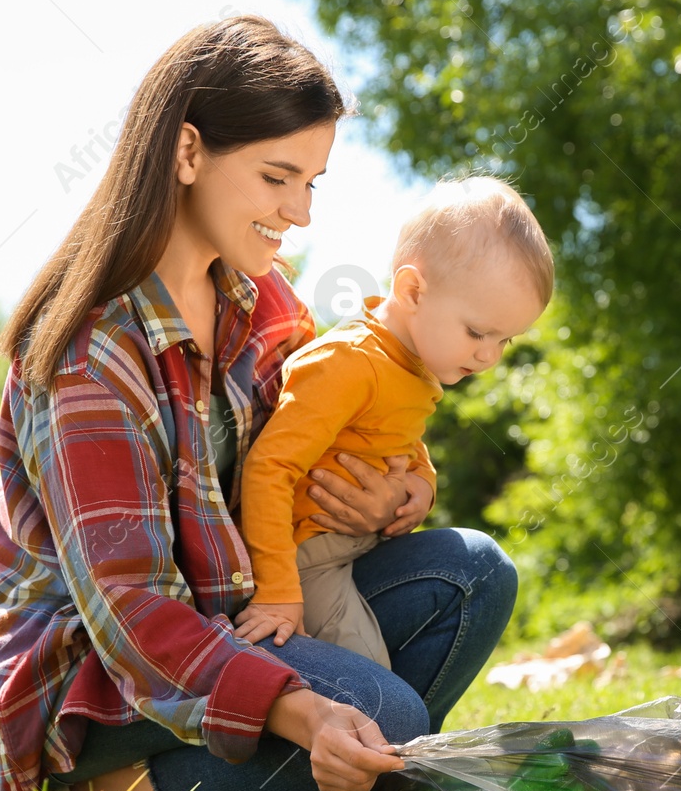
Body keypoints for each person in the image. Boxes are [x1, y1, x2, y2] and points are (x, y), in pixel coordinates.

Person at [0, 16, 517, 791]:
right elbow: (129, 611)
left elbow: (307, 460)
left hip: (230, 606)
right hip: (89, 672)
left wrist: (391, 494)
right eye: (276, 177)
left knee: (474, 574)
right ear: (187, 152)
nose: (299, 211)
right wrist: (301, 709)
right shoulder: (88, 351)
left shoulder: (262, 302)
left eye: (313, 182)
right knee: (379, 708)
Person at [235, 177, 552, 667]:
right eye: (478, 332)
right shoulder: (350, 362)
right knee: (373, 687)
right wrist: (278, 590)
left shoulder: (410, 362)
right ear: (412, 291)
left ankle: (416, 740)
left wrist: (421, 487)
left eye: (505, 341)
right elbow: (268, 468)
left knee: (465, 592)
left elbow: (399, 440)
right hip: (309, 559)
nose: (489, 356)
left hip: (360, 550)